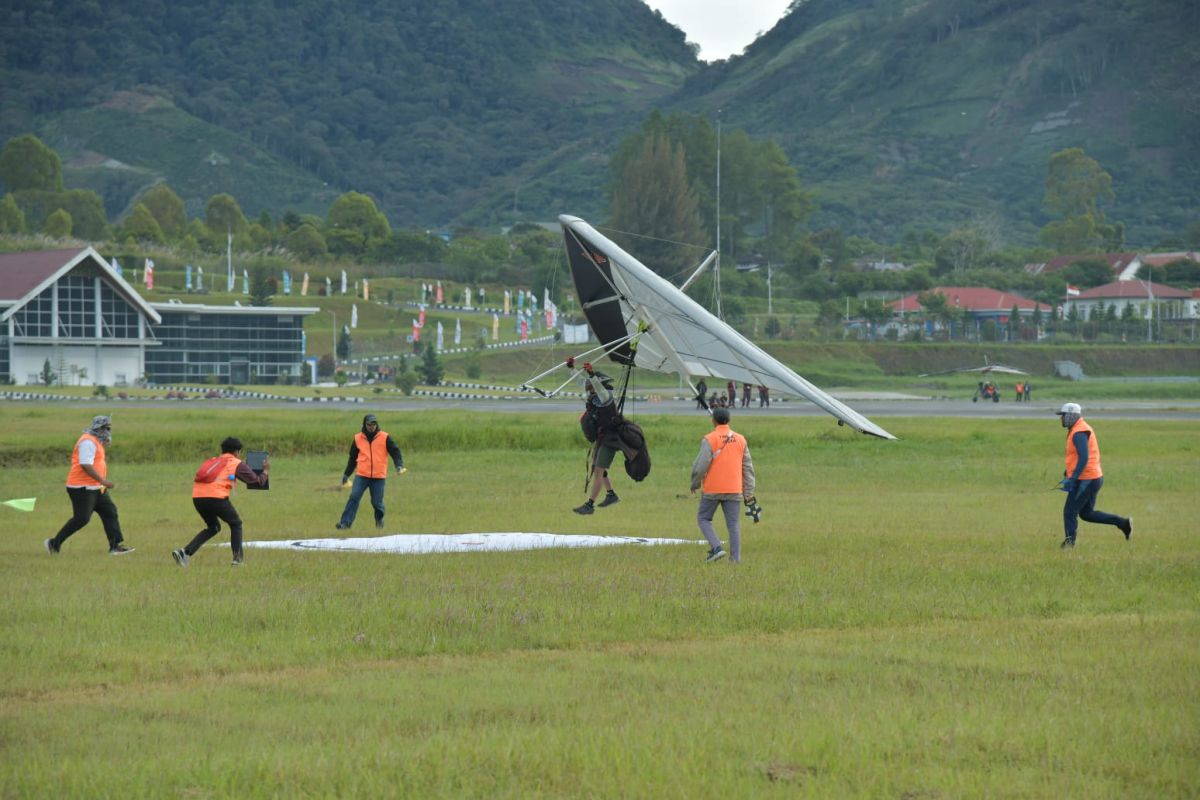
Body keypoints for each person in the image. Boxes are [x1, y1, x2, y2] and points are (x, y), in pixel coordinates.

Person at [172, 437, 269, 567]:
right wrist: (265, 471)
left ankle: (184, 552)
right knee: (236, 524)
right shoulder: (236, 463)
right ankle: (237, 560)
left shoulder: (213, 461)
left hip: (198, 497)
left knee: (213, 528)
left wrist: (244, 467)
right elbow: (257, 482)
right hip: (216, 497)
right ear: (237, 452)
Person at [45, 415, 134, 556]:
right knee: (81, 519)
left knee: (110, 512)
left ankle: (115, 546)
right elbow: (85, 465)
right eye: (106, 428)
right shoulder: (87, 442)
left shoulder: (95, 441)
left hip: (96, 487)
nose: (109, 431)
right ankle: (53, 543)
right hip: (82, 487)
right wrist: (103, 481)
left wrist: (100, 483)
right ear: (99, 428)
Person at [1055, 402, 1132, 549]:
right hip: (1092, 477)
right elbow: (1078, 457)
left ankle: (1069, 544)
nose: (1061, 419)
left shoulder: (1079, 432)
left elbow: (1084, 457)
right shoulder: (1078, 429)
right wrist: (1069, 472)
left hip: (1086, 480)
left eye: (1063, 416)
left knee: (1069, 512)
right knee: (1086, 513)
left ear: (1071, 416)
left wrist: (1073, 477)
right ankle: (1123, 523)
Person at [690, 407, 756, 563]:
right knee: (733, 524)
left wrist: (695, 483)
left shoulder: (710, 439)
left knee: (703, 519)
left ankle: (717, 548)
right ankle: (735, 560)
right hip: (734, 489)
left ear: (713, 420)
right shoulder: (741, 439)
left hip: (712, 489)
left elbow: (701, 466)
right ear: (729, 420)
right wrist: (749, 492)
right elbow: (748, 468)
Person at [336, 414, 405, 530]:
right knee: (354, 497)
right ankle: (345, 524)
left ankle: (379, 520)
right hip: (362, 475)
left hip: (378, 477)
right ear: (364, 424)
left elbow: (395, 452)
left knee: (377, 503)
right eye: (369, 424)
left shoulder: (384, 437)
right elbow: (352, 459)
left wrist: (399, 465)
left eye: (374, 424)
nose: (372, 427)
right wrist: (346, 475)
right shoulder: (358, 438)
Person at [572, 359, 622, 515]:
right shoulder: (594, 395)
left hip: (610, 440)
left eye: (590, 384)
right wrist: (571, 368)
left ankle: (589, 505)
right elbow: (581, 382)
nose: (587, 387)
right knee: (598, 468)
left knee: (598, 471)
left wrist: (592, 374)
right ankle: (611, 495)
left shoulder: (605, 397)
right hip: (601, 439)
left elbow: (598, 388)